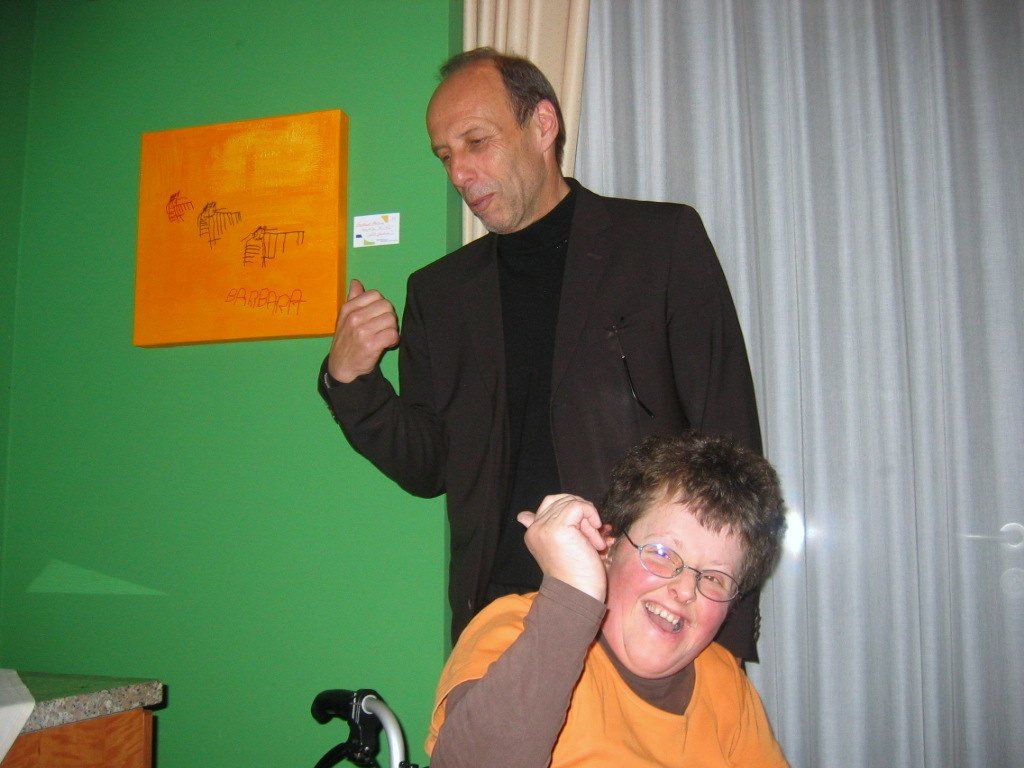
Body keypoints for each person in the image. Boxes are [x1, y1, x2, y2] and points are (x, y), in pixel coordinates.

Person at [317, 47, 764, 659]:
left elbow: (730, 445)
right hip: (498, 620)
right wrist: (351, 381)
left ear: (543, 124)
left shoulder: (658, 245)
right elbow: (429, 467)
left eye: (477, 142)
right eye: (444, 155)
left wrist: (725, 636)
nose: (459, 173)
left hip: (642, 611)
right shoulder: (440, 294)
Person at [426, 432, 788, 767]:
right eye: (662, 552)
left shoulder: (725, 684)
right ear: (608, 548)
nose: (684, 590)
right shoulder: (516, 630)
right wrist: (571, 595)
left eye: (714, 578)